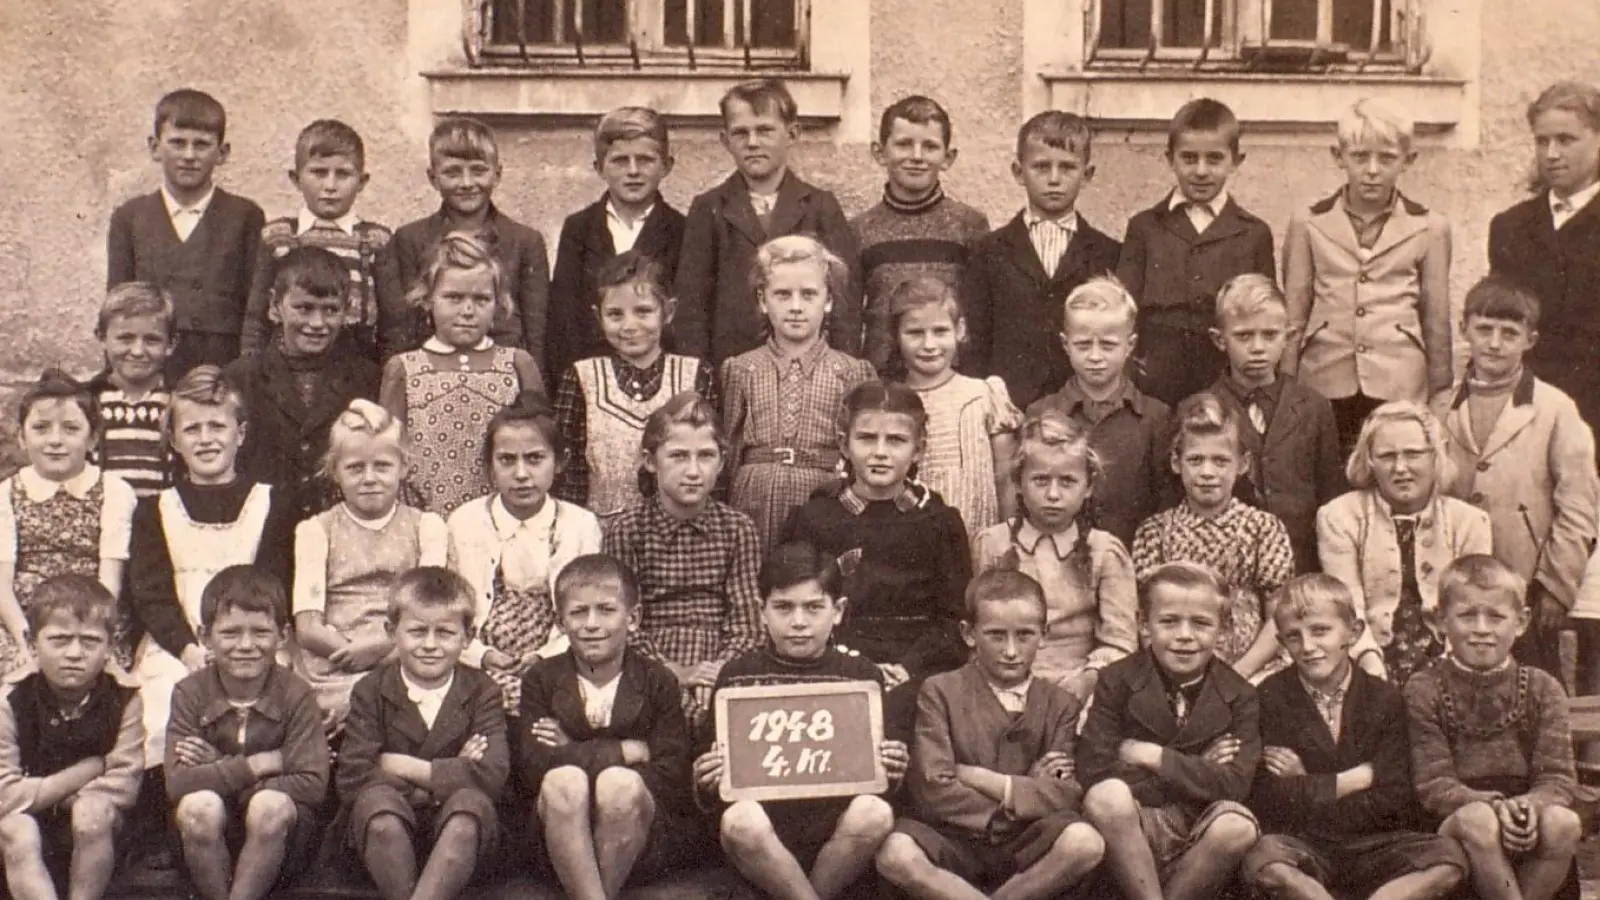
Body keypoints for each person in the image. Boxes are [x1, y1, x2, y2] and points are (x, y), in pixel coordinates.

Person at [691, 542, 909, 900]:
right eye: (783, 607)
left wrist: (894, 766)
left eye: (813, 607)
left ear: (838, 611)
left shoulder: (861, 675)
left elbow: (883, 775)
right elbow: (709, 776)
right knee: (740, 819)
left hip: (837, 833)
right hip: (763, 835)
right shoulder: (738, 675)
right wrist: (706, 776)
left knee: (875, 812)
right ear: (762, 611)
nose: (798, 622)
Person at [875, 569, 1104, 900]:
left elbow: (1065, 793)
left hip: (1028, 840)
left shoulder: (1061, 704)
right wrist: (1025, 791)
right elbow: (933, 786)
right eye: (996, 635)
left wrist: (981, 778)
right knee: (895, 852)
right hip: (953, 837)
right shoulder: (940, 691)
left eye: (1024, 635)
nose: (1011, 651)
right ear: (969, 634)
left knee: (1085, 843)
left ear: (1044, 634)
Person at [1242, 573, 1467, 900]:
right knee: (1264, 860)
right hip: (1303, 842)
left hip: (1374, 841)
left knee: (1448, 859)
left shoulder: (1384, 698)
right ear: (1281, 641)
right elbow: (1270, 797)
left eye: (1320, 631)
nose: (1308, 647)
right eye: (1293, 637)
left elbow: (1395, 795)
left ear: (1354, 631)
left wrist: (1307, 783)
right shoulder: (1270, 697)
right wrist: (1352, 780)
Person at [128, 366, 297, 771]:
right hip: (179, 644)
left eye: (217, 426)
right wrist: (189, 650)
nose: (206, 439)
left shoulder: (272, 504)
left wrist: (241, 646)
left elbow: (276, 585)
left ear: (240, 433)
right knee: (162, 708)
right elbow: (151, 595)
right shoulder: (155, 509)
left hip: (254, 641)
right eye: (192, 429)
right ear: (174, 440)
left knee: (272, 711)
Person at [781, 381, 972, 738]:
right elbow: (800, 605)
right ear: (844, 444)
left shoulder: (939, 522)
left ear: (919, 449)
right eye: (867, 438)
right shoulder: (814, 519)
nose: (880, 452)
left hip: (918, 665)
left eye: (896, 440)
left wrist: (908, 668)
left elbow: (953, 620)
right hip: (835, 659)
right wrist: (855, 665)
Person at [1432, 276, 1598, 681]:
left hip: (1526, 586)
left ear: (1530, 339)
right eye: (1484, 329)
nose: (1494, 343)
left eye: (1509, 333)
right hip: (1457, 581)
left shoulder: (1555, 409)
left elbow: (1578, 506)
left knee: (1532, 686)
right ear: (1464, 329)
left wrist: (1555, 586)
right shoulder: (1440, 407)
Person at [519, 554, 704, 899]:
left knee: (619, 784)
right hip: (559, 835)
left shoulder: (657, 680)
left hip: (637, 838)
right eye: (578, 612)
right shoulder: (541, 678)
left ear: (633, 619)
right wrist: (623, 750)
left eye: (606, 610)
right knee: (563, 781)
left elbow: (671, 773)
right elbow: (533, 768)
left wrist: (570, 749)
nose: (591, 624)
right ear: (560, 622)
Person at [1077, 561, 1262, 900]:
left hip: (1199, 825)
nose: (1185, 635)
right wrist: (1198, 766)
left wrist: (1156, 757)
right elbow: (1093, 768)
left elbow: (1236, 784)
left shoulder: (1240, 694)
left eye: (1201, 623)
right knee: (1107, 796)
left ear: (1224, 630)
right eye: (1169, 621)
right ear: (1143, 624)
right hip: (1136, 824)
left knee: (1238, 826)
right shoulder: (1117, 680)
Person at [1405, 555, 1583, 900]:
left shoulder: (1543, 688)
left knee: (1564, 823)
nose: (1482, 629)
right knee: (1479, 820)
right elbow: (1433, 784)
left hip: (1526, 816)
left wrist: (1528, 806)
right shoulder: (1424, 688)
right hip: (1456, 820)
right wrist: (1495, 806)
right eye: (1466, 615)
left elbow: (1558, 778)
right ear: (1440, 620)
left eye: (1496, 616)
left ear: (1521, 621)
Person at [1283, 99, 1453, 453]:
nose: (1372, 170)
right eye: (1360, 157)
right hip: (1326, 377)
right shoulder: (1309, 222)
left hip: (1399, 380)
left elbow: (1436, 317)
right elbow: (1294, 314)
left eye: (1386, 158)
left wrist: (1440, 394)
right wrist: (1283, 388)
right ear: (1339, 156)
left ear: (1408, 160)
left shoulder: (1430, 227)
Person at [337, 567, 508, 900]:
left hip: (461, 841)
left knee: (469, 808)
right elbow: (354, 776)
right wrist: (447, 776)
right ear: (392, 631)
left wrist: (404, 767)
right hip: (383, 837)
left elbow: (492, 774)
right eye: (417, 631)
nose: (430, 645)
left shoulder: (482, 690)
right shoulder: (370, 690)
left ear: (468, 637)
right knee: (378, 807)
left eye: (445, 633)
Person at [165, 566, 328, 900]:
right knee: (197, 807)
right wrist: (258, 764)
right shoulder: (189, 692)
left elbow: (312, 783)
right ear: (204, 636)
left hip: (280, 837)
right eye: (230, 633)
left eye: (260, 632)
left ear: (283, 635)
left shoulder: (297, 694)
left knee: (269, 806)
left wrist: (220, 767)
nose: (245, 645)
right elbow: (178, 782)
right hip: (209, 836)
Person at [673, 79, 861, 364]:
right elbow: (692, 307)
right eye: (740, 133)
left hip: (810, 366)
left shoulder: (820, 207)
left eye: (764, 131)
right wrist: (698, 377)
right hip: (730, 365)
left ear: (792, 134)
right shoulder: (709, 208)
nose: (752, 143)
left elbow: (845, 303)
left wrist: (842, 366)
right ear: (725, 141)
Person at [603, 393, 762, 727]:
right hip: (650, 660)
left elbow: (746, 623)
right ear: (650, 461)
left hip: (721, 657)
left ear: (721, 462)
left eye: (706, 456)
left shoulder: (738, 528)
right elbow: (622, 622)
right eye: (678, 456)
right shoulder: (628, 529)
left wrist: (718, 671)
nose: (693, 471)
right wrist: (672, 672)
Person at [293, 400, 446, 730]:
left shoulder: (426, 527)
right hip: (335, 663)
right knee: (350, 707)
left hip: (405, 652)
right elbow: (307, 627)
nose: (369, 478)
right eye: (355, 468)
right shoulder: (316, 530)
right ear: (335, 471)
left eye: (382, 466)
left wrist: (383, 650)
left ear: (404, 467)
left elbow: (429, 611)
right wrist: (353, 654)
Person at [446, 393, 603, 712]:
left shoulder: (580, 525)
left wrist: (544, 657)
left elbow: (585, 608)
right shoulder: (465, 523)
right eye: (507, 460)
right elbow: (449, 609)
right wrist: (482, 655)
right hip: (477, 659)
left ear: (559, 462)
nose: (521, 474)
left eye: (534, 459)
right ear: (489, 467)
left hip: (558, 656)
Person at [1317, 401, 1492, 685]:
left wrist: (1451, 672)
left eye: (1413, 454)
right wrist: (1370, 665)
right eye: (1387, 456)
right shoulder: (1339, 516)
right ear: (1369, 461)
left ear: (1435, 456)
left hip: (1451, 660)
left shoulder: (1470, 521)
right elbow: (1347, 605)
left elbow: (1471, 607)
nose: (1400, 468)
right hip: (1365, 659)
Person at [1115, 98, 1275, 407]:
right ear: (1170, 159)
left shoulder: (1254, 233)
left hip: (1226, 379)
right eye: (1189, 158)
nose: (1201, 171)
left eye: (1214, 159)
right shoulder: (1145, 227)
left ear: (1236, 161)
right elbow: (1124, 313)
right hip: (1155, 382)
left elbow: (1264, 317)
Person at [721, 235, 876, 550]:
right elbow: (730, 450)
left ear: (828, 300)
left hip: (822, 497)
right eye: (782, 294)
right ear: (763, 300)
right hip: (753, 497)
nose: (795, 307)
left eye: (808, 294)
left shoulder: (852, 372)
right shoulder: (741, 368)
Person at [971, 412, 1136, 705]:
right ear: (1018, 482)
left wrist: (1086, 679)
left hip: (1079, 686)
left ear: (1088, 487)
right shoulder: (993, 544)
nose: (1053, 494)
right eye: (1040, 480)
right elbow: (979, 628)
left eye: (1068, 481)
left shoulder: (1104, 551)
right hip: (1003, 682)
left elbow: (1120, 642)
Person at [961, 111, 1120, 411]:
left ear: (1087, 174)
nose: (1054, 179)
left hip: (1082, 408)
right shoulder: (988, 252)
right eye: (1041, 167)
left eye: (1067, 167)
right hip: (1008, 407)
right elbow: (975, 342)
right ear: (1018, 172)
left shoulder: (1108, 253)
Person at [1132, 393, 1295, 682]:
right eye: (1195, 460)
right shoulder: (1154, 532)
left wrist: (1238, 675)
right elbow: (1146, 619)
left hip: (1252, 671)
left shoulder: (1263, 528)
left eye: (1220, 461)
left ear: (1243, 464)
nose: (1207, 472)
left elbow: (1278, 617)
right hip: (1172, 669)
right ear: (1176, 462)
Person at [379, 233, 545, 517]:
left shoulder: (518, 364)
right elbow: (388, 452)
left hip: (501, 518)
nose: (468, 311)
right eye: (454, 298)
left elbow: (539, 446)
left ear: (498, 303)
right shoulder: (404, 368)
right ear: (428, 300)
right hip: (426, 518)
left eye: (481, 299)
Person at [0, 575, 144, 900]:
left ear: (110, 645)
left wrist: (53, 796)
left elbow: (124, 784)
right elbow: (4, 795)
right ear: (32, 642)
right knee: (15, 827)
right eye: (60, 640)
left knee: (92, 813)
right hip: (23, 832)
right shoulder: (11, 699)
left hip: (95, 834)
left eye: (90, 641)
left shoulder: (125, 697)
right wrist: (88, 770)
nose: (75, 653)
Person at [107, 89, 265, 378]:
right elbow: (116, 308)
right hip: (151, 367)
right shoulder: (130, 217)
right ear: (155, 147)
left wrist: (245, 374)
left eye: (201, 145)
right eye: (177, 143)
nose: (189, 156)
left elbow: (254, 309)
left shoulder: (245, 216)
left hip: (221, 365)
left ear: (222, 153)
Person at [550, 251, 716, 518]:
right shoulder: (582, 377)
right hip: (600, 529)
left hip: (680, 531)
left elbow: (712, 462)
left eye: (643, 311)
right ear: (598, 317)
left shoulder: (696, 374)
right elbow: (569, 472)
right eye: (615, 314)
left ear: (668, 312)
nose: (629, 325)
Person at [225, 246, 382, 522]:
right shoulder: (240, 378)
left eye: (330, 310)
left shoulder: (366, 379)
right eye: (304, 308)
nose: (317, 323)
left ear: (347, 309)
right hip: (264, 525)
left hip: (339, 525)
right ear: (275, 305)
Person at [0, 371, 138, 676]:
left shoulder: (114, 491)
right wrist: (26, 642)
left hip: (93, 621)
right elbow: (1, 584)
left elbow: (110, 580)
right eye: (41, 428)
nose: (55, 441)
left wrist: (89, 632)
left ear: (93, 439)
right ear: (21, 437)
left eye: (71, 429)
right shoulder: (6, 494)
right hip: (21, 625)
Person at [1205, 274, 1344, 573]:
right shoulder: (1201, 408)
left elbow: (1330, 494)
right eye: (1244, 336)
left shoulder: (1313, 407)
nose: (1258, 347)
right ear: (1219, 340)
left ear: (1288, 337)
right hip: (1229, 565)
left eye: (1270, 335)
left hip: (1301, 562)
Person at [1488, 81, 1600, 450]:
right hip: (1530, 411)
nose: (1551, 154)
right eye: (1542, 141)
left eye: (1566, 140)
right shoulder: (1511, 227)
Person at [240, 119, 403, 364]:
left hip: (356, 365)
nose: (330, 186)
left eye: (343, 174)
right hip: (285, 364)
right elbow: (256, 319)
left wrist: (390, 374)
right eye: (318, 173)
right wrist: (250, 369)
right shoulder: (278, 236)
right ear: (296, 178)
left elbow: (394, 324)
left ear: (362, 182)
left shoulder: (375, 240)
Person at [1027, 276, 1172, 546]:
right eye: (1083, 345)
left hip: (1134, 553)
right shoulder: (1042, 413)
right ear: (1065, 344)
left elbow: (1165, 504)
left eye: (1108, 345)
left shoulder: (1155, 417)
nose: (1095, 356)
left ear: (1130, 345)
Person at [547, 107, 686, 383]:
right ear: (599, 168)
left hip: (660, 375)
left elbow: (687, 316)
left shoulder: (682, 229)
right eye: (620, 161)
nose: (633, 171)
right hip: (592, 374)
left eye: (645, 160)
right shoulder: (579, 229)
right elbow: (565, 315)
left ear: (666, 166)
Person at [853, 95, 990, 373]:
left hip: (952, 374)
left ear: (948, 157)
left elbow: (981, 313)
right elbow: (848, 320)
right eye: (904, 144)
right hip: (882, 378)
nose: (916, 156)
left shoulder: (969, 225)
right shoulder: (859, 229)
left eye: (929, 146)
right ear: (880, 153)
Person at [395, 116, 552, 359]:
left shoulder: (525, 242)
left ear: (497, 174)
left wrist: (533, 381)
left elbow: (536, 333)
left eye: (478, 171)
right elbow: (401, 330)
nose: (467, 183)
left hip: (505, 369)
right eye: (453, 173)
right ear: (433, 178)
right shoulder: (411, 239)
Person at [887, 275, 1020, 536]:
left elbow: (1005, 479)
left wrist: (1008, 538)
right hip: (910, 538)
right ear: (896, 336)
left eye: (940, 331)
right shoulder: (890, 402)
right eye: (915, 333)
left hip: (978, 534)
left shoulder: (983, 394)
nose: (929, 345)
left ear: (959, 330)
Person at [87, 283, 176, 497]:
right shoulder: (86, 400)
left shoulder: (178, 401)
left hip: (163, 514)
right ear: (102, 337)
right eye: (125, 338)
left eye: (152, 340)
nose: (137, 351)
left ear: (171, 344)